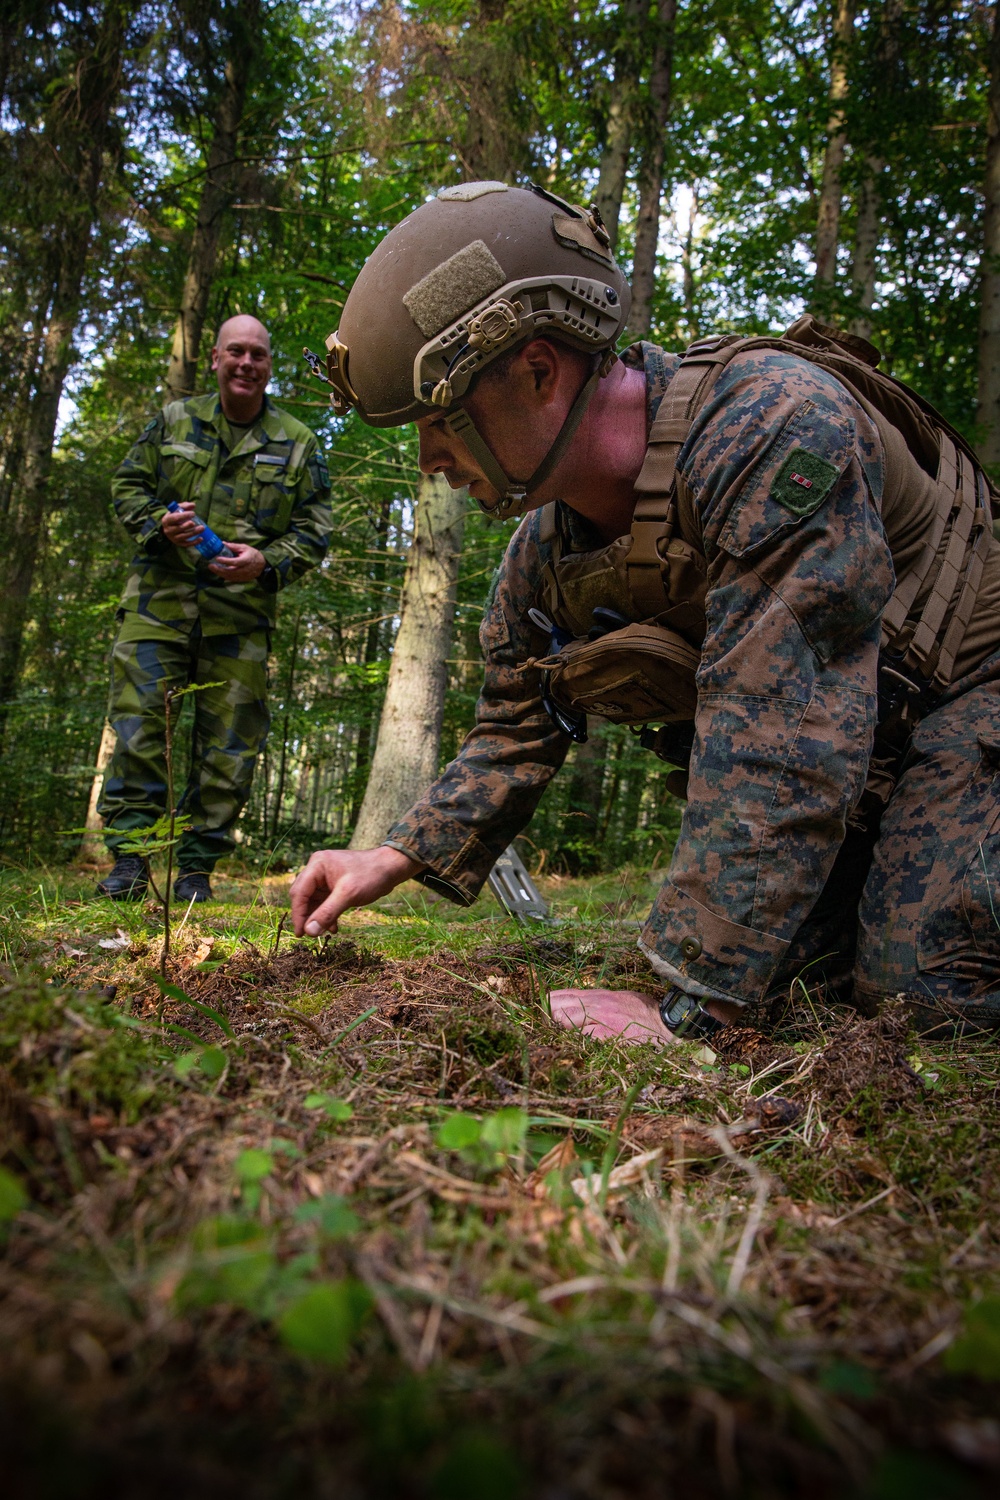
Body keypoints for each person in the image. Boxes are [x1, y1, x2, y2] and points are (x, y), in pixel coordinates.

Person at [289, 181, 1000, 1042]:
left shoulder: (768, 424)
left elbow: (783, 723)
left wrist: (694, 1006)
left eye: (441, 421)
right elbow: (517, 718)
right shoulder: (548, 554)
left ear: (540, 370)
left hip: (975, 697)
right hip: (883, 756)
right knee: (808, 977)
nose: (429, 460)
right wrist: (395, 853)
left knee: (923, 988)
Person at [96, 314, 332, 904]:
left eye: (257, 354)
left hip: (241, 619)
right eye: (236, 352)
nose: (246, 363)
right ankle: (130, 863)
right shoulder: (174, 422)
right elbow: (127, 486)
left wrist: (267, 562)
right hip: (158, 605)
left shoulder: (298, 442)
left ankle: (197, 871)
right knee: (140, 727)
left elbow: (314, 532)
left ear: (270, 365)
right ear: (216, 359)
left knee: (229, 746)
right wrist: (159, 522)